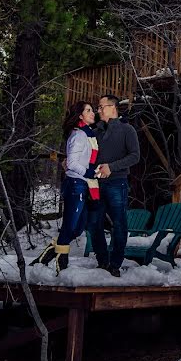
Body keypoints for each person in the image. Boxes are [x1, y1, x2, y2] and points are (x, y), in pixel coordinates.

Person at [32, 101, 108, 273]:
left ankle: (49, 253)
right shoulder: (78, 135)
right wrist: (88, 172)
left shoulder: (87, 134)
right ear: (80, 116)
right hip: (76, 184)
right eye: (88, 110)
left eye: (91, 110)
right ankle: (61, 263)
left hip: (83, 184)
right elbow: (72, 163)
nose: (92, 113)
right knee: (70, 226)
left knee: (77, 228)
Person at [90, 94, 140, 277]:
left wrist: (112, 167)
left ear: (113, 108)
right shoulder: (95, 132)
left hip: (117, 183)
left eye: (102, 107)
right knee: (94, 223)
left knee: (119, 223)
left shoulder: (127, 130)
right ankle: (102, 261)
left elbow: (135, 156)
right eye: (98, 107)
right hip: (96, 184)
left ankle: (115, 264)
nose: (99, 110)